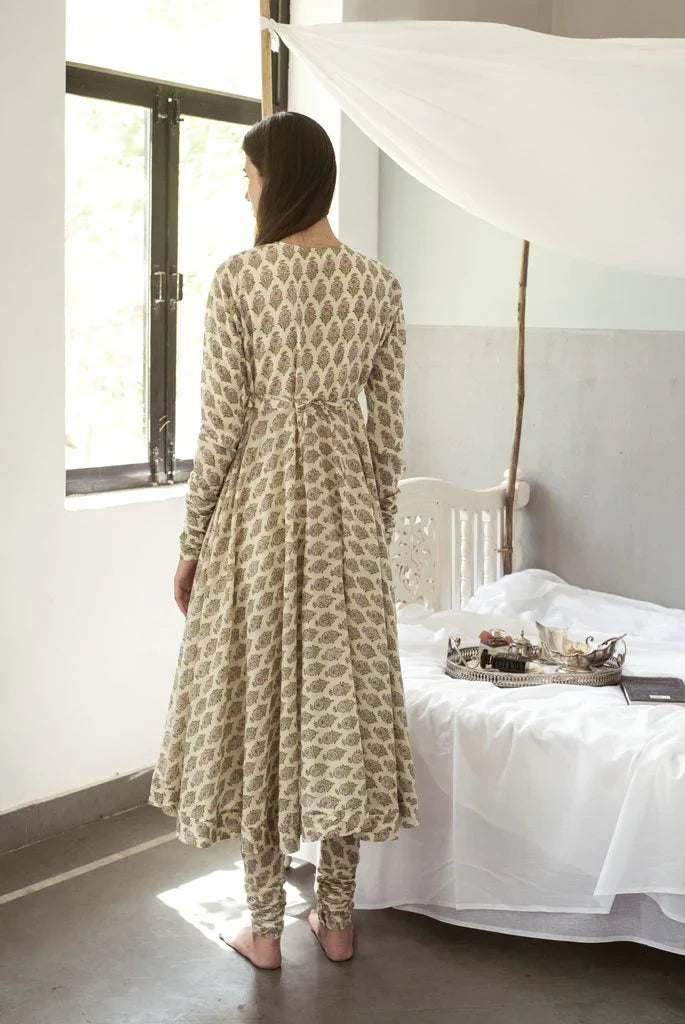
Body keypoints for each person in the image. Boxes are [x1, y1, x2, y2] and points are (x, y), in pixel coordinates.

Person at [148, 110, 419, 969]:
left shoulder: (241, 279)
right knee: (342, 704)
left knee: (258, 705)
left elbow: (222, 427)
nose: (246, 191)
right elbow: (387, 435)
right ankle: (335, 919)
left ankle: (262, 928)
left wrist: (193, 541)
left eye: (249, 175)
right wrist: (371, 530)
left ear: (280, 178)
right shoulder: (378, 285)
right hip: (345, 518)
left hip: (257, 517)